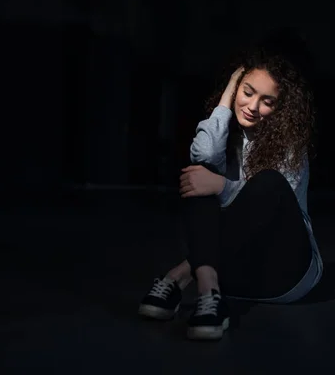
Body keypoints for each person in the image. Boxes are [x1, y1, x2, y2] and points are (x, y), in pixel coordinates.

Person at [138, 37, 323, 340]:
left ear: (280, 108)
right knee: (203, 171)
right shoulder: (228, 134)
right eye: (247, 92)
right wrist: (226, 99)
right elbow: (203, 155)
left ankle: (178, 276)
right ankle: (209, 296)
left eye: (267, 101)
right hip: (238, 276)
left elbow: (271, 205)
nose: (252, 106)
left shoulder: (289, 144)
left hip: (287, 272)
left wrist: (222, 185)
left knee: (268, 183)